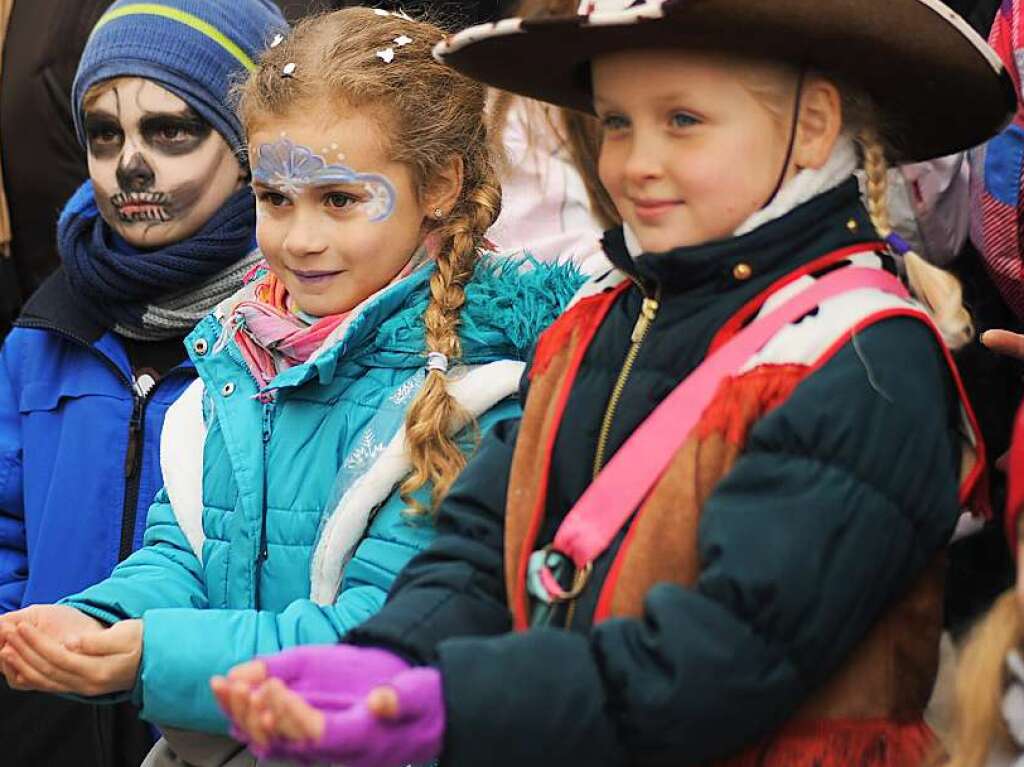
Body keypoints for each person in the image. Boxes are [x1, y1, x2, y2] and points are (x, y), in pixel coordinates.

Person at [214, 2, 1014, 766]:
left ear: (811, 127)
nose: (636, 163)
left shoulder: (862, 358)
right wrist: (385, 660)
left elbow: (722, 658)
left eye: (683, 121)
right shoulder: (602, 317)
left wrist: (459, 698)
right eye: (618, 122)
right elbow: (485, 539)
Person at [0, 7, 580, 766]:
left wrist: (151, 653)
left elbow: (382, 630)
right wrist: (96, 620)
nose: (300, 239)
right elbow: (183, 553)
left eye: (340, 199)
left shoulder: (479, 392)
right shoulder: (236, 362)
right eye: (276, 199)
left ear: (438, 185)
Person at [0, 1, 286, 765]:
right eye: (105, 134)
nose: (130, 165)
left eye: (170, 131)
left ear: (247, 146)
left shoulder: (289, 334)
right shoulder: (44, 333)